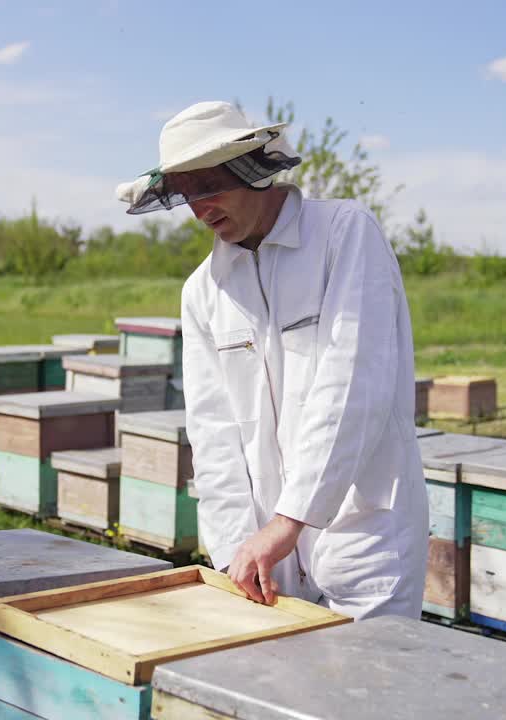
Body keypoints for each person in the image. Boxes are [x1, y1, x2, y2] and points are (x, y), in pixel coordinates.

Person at [115, 101, 428, 620]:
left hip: (363, 529)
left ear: (251, 169)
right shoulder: (203, 291)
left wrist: (290, 521)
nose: (200, 211)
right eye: (188, 196)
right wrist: (235, 551)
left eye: (209, 188)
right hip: (266, 558)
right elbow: (214, 435)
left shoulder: (346, 234)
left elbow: (351, 384)